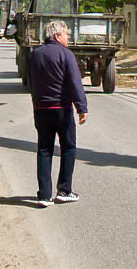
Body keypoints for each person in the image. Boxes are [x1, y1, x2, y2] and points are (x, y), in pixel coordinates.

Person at [29, 19, 88, 208]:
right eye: (65, 34)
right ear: (56, 35)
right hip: (62, 108)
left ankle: (44, 195)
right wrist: (81, 107)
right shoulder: (66, 54)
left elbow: (31, 81)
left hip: (41, 108)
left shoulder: (35, 54)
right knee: (68, 148)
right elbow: (75, 82)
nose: (68, 37)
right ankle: (64, 190)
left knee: (44, 150)